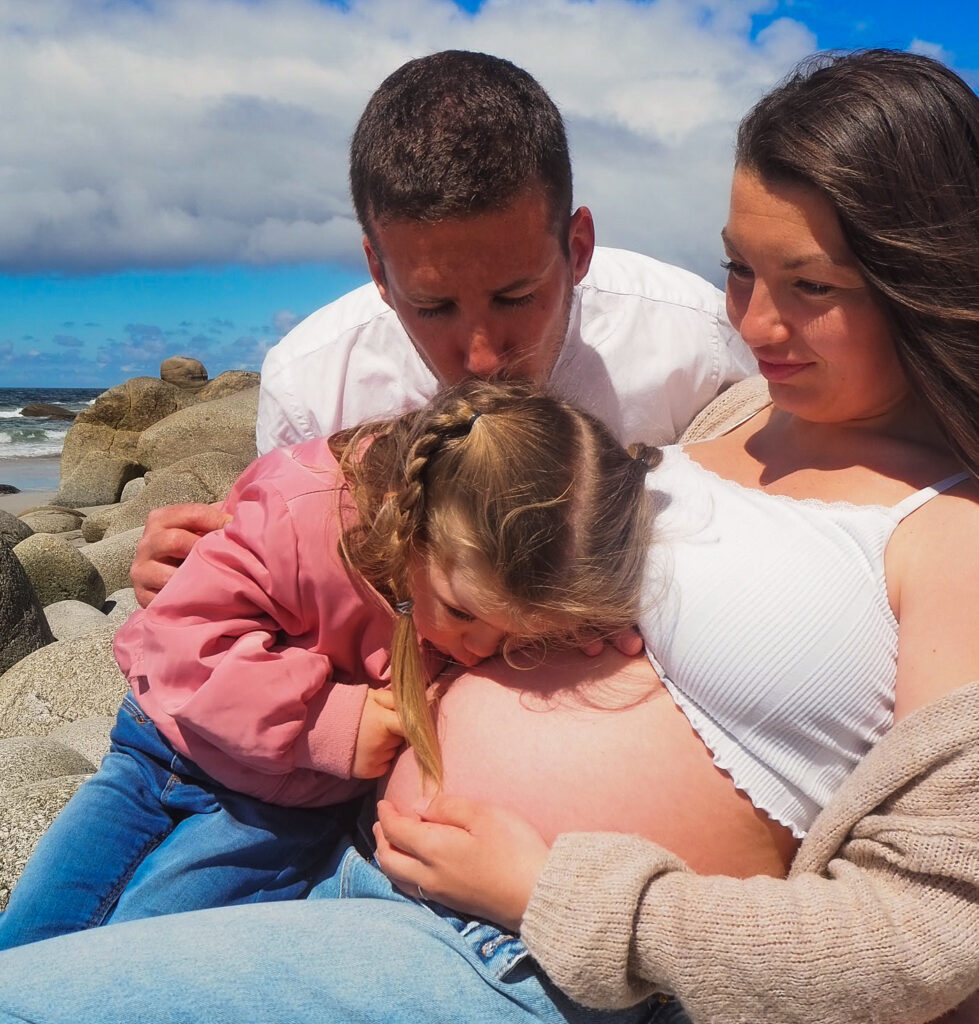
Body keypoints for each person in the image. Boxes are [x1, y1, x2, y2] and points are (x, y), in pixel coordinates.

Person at [0, 48, 976, 1024]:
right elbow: (307, 572)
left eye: (807, 285)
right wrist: (206, 569)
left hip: (513, 948)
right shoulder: (747, 416)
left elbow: (928, 931)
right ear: (381, 273)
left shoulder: (731, 389)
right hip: (347, 828)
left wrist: (556, 893)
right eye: (738, 269)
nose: (759, 321)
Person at [0, 378, 658, 950]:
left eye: (517, 637)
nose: (479, 649)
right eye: (461, 613)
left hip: (283, 814)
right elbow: (176, 648)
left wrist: (590, 632)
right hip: (162, 760)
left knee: (141, 948)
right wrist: (330, 720)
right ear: (409, 522)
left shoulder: (509, 571)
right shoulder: (300, 512)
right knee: (33, 933)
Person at [129, 49, 753, 607]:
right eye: (433, 308)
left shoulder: (695, 346)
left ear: (579, 247)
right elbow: (294, 581)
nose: (482, 358)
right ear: (378, 270)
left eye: (517, 296)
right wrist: (197, 575)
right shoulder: (313, 387)